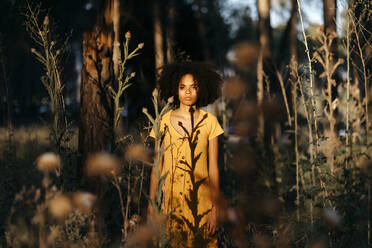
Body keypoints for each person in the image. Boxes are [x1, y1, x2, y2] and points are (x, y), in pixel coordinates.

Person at [148, 61, 224, 247]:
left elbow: (213, 169)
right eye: (183, 87)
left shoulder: (210, 122)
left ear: (202, 89)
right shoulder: (162, 121)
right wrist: (151, 205)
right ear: (175, 89)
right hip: (170, 204)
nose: (188, 92)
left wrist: (215, 209)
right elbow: (157, 165)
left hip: (201, 204)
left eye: (193, 87)